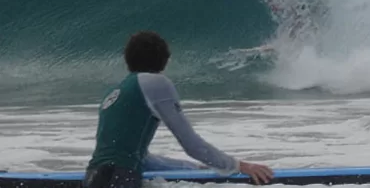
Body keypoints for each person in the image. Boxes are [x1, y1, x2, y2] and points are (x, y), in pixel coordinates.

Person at [84, 31, 273, 188]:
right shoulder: (155, 83)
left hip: (94, 178)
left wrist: (191, 168)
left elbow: (138, 157)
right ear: (164, 59)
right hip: (119, 179)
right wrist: (239, 166)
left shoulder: (115, 92)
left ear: (128, 59)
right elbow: (191, 144)